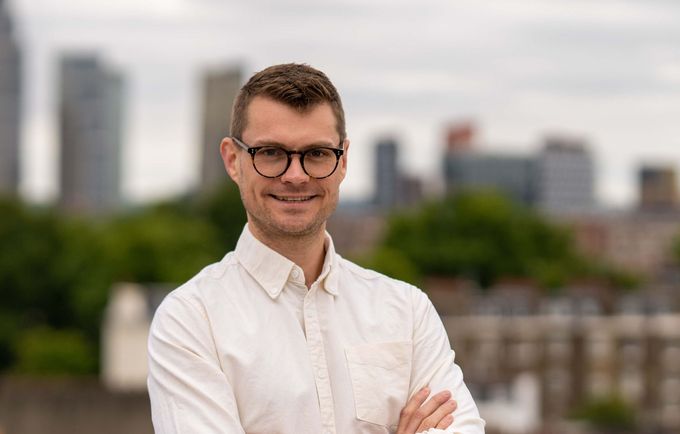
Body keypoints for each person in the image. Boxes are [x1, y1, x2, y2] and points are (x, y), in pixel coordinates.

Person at [147, 63, 485, 434]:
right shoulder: (191, 320)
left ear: (343, 161)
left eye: (318, 154)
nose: (296, 176)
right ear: (233, 160)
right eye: (272, 153)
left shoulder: (407, 311)